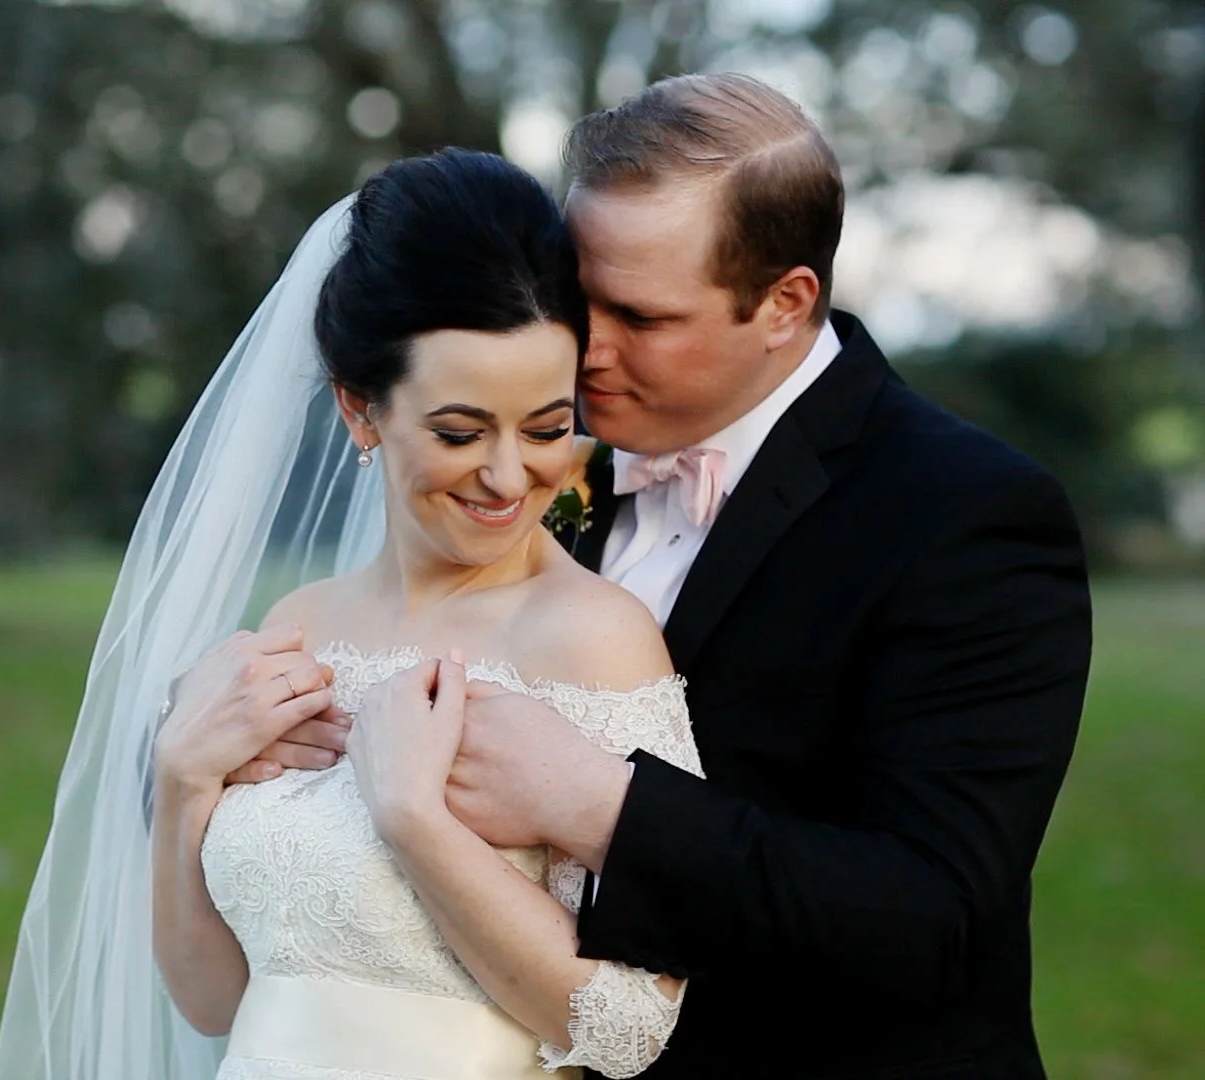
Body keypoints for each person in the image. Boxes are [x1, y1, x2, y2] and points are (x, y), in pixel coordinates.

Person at [332, 74, 1089, 1079]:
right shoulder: (539, 470)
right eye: (576, 296)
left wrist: (599, 803)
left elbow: (927, 916)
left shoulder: (967, 516)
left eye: (640, 317)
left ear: (785, 303)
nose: (583, 349)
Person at [0, 150, 701, 1080]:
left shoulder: (593, 641)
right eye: (458, 432)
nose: (506, 475)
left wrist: (416, 818)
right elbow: (217, 1001)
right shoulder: (300, 625)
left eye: (544, 426)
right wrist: (181, 785)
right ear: (360, 412)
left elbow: (631, 1028)